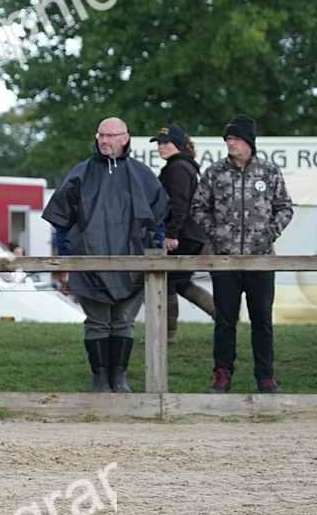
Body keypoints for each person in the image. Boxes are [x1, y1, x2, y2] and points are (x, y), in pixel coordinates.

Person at [41, 117, 168, 393]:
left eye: (111, 135)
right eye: (101, 135)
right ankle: (100, 377)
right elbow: (61, 222)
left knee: (124, 322)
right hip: (89, 265)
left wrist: (155, 256)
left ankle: (119, 376)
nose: (105, 140)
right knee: (97, 323)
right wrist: (67, 261)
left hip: (132, 265)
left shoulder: (143, 175)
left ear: (126, 138)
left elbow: (158, 221)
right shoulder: (80, 174)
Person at [191, 114, 293, 394]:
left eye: (235, 138)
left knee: (262, 320)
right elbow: (198, 207)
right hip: (225, 260)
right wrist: (216, 234)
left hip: (261, 261)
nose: (230, 143)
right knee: (225, 320)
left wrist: (269, 233)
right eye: (228, 139)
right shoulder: (215, 172)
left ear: (249, 141)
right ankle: (222, 375)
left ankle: (266, 377)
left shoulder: (269, 172)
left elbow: (285, 207)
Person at [150, 124, 216, 344]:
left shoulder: (178, 167)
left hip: (183, 234)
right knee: (180, 281)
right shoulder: (181, 166)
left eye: (165, 143)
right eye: (159, 143)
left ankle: (167, 336)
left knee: (167, 280)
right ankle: (222, 316)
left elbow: (179, 204)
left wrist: (171, 233)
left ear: (177, 145)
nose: (161, 147)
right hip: (191, 234)